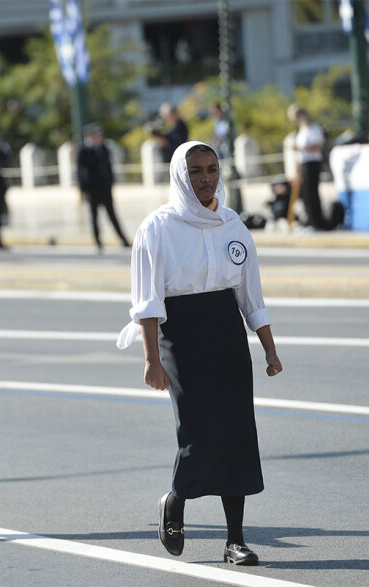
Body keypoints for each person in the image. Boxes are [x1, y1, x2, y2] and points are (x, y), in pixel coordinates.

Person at [116, 141, 282, 565]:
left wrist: (268, 348)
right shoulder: (157, 227)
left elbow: (250, 295)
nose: (205, 178)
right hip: (179, 334)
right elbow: (149, 303)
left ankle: (235, 539)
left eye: (211, 169)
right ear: (179, 175)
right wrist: (151, 360)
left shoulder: (232, 224)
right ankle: (176, 498)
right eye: (195, 171)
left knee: (237, 432)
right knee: (198, 432)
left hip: (226, 330)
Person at [77, 124, 130, 251]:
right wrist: (83, 190)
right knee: (94, 216)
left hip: (105, 189)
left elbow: (108, 168)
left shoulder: (104, 148)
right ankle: (98, 241)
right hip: (92, 189)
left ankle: (123, 239)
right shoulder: (84, 151)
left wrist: (111, 184)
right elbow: (81, 172)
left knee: (112, 215)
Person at [292, 108, 331, 231]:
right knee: (305, 193)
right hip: (304, 162)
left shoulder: (314, 128)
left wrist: (300, 148)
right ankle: (309, 220)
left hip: (312, 162)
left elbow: (317, 146)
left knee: (312, 192)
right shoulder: (303, 129)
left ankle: (316, 221)